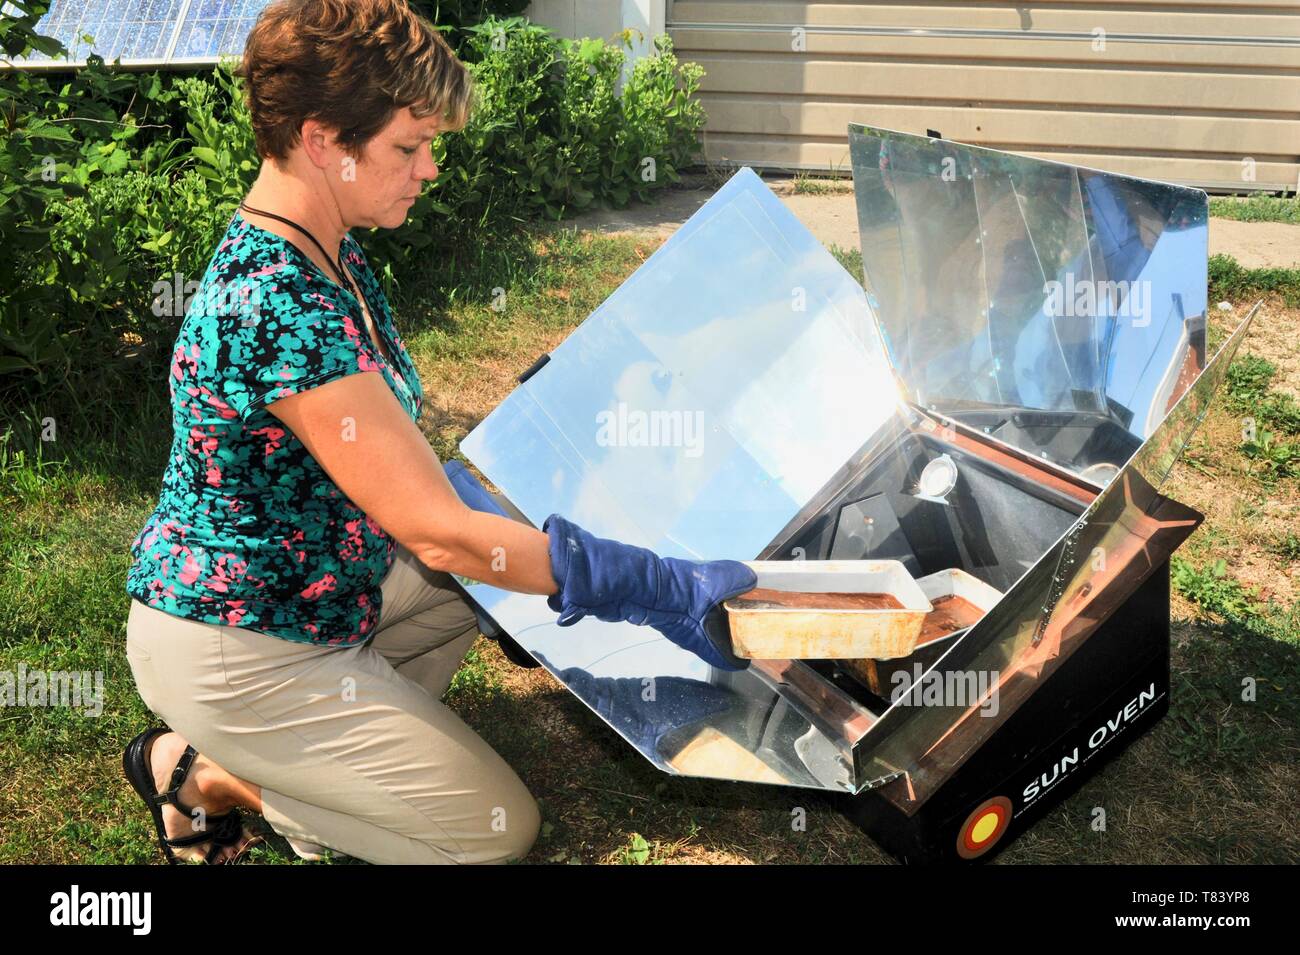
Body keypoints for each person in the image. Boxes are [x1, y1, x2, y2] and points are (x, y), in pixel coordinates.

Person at [121, 0, 755, 866]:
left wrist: (532, 524)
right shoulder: (281, 301)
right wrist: (648, 584)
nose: (429, 170)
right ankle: (213, 772)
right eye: (407, 148)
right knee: (490, 829)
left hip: (317, 588)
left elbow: (402, 476)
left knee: (486, 590)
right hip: (240, 646)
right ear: (321, 139)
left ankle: (345, 738)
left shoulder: (330, 250)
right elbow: (437, 533)